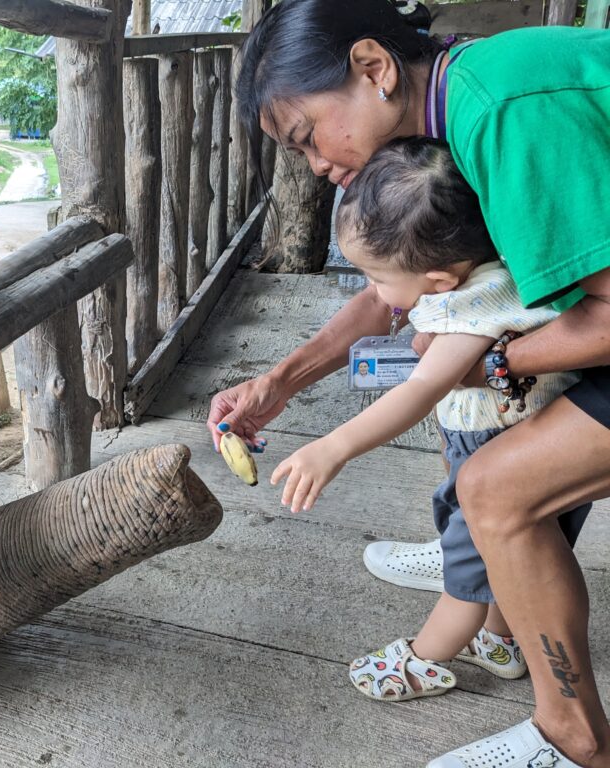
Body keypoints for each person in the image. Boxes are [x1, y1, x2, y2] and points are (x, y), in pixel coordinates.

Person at [206, 1, 610, 764]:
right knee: (500, 458)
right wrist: (280, 383)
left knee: (496, 486)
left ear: (373, 68)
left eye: (307, 137)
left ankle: (573, 737)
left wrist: (488, 357)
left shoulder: (500, 114)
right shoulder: (447, 108)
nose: (318, 166)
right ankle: (493, 558)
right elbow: (398, 290)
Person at [270, 137, 590, 702]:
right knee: (519, 554)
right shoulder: (496, 268)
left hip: (498, 457)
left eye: (378, 279)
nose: (376, 291)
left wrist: (333, 446)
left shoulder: (472, 309)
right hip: (542, 438)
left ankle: (424, 659)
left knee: (466, 577)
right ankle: (501, 641)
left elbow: (420, 389)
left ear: (440, 280)